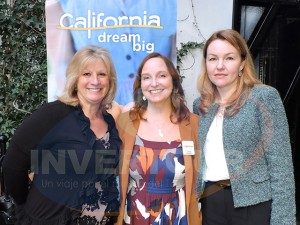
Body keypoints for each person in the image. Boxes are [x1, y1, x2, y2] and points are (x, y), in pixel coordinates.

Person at [2, 45, 122, 225]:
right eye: (87, 74)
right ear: (75, 79)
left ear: (110, 80)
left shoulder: (109, 122)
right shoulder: (53, 115)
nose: (95, 81)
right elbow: (12, 165)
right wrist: (24, 206)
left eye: (102, 74)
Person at [193, 29, 296, 225]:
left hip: (254, 203)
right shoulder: (200, 105)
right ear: (206, 64)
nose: (220, 66)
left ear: (241, 63)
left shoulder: (263, 97)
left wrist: (283, 220)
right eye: (213, 59)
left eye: (229, 58)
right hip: (210, 202)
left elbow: (281, 166)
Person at [116, 52, 202, 225]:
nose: (154, 83)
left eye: (161, 76)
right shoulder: (125, 122)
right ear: (141, 85)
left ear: (174, 81)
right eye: (147, 77)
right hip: (134, 218)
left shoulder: (194, 124)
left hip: (178, 219)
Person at [45, 0, 177, 106]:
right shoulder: (61, 3)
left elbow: (177, 60)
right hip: (95, 115)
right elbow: (62, 66)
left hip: (160, 110)